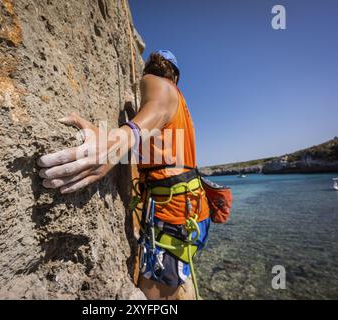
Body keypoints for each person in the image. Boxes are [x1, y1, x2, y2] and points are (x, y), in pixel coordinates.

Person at [37, 50, 210, 300]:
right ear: (177, 76)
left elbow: (154, 110)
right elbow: (148, 146)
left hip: (172, 216)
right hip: (191, 211)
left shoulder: (157, 83)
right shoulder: (181, 110)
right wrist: (111, 138)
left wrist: (114, 144)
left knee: (154, 296)